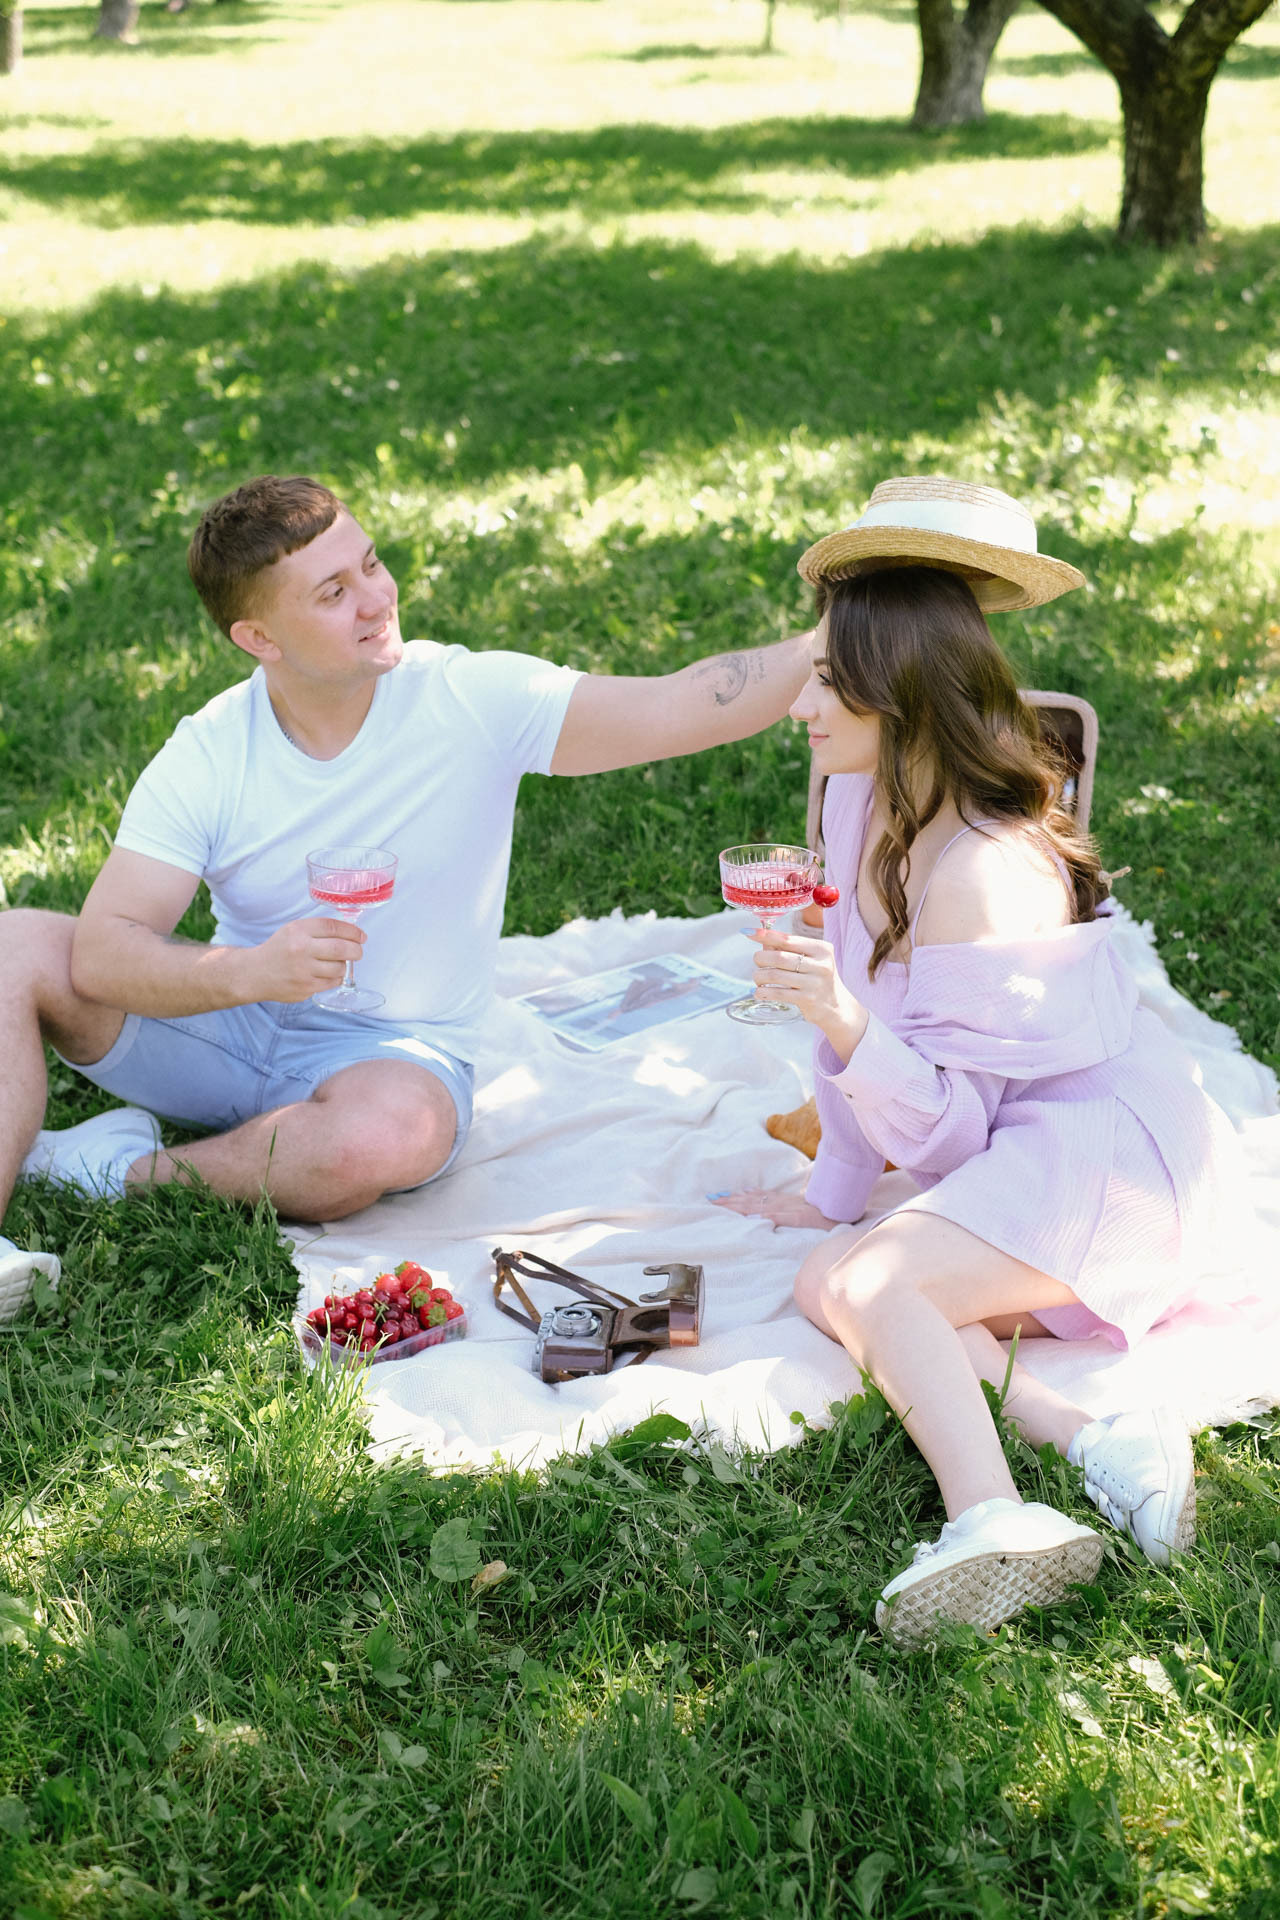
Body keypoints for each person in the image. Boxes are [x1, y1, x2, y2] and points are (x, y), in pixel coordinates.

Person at [0, 473, 813, 1320]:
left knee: (382, 1141)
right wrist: (250, 973)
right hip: (231, 1026)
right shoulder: (210, 752)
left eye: (373, 564)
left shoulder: (469, 700)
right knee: (16, 944)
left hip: (392, 1054)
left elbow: (678, 705)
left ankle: (119, 1171)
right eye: (334, 591)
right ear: (259, 636)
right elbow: (104, 951)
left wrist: (830, 640)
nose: (377, 599)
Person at [715, 474, 1252, 1647]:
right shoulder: (859, 800)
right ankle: (1089, 1435)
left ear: (891, 691)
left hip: (1109, 1162)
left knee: (870, 1287)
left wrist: (850, 1029)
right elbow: (878, 1033)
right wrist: (831, 1192)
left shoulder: (981, 873)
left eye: (820, 677)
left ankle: (988, 1515)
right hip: (1027, 1139)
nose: (797, 700)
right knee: (833, 1274)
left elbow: (951, 1135)